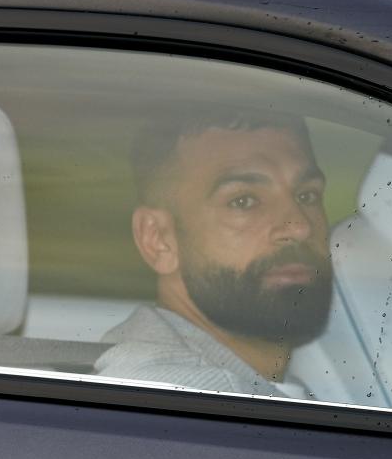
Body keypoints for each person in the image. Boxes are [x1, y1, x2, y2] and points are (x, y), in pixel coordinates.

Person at [93, 107, 334, 397]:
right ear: (158, 239)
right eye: (243, 201)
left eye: (306, 195)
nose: (299, 227)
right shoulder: (194, 401)